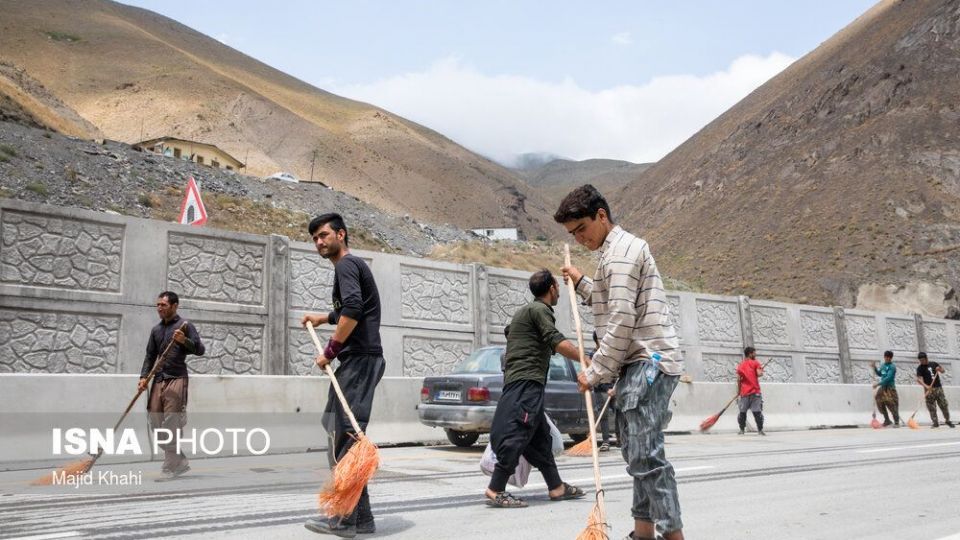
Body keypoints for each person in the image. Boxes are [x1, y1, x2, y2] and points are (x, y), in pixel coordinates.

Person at [557, 185, 685, 540]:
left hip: (649, 361)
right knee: (638, 455)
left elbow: (621, 321)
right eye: (572, 234)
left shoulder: (621, 254)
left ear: (602, 215)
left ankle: (673, 536)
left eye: (582, 228)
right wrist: (583, 282)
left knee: (646, 456)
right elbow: (611, 300)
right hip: (640, 363)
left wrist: (594, 372)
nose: (579, 238)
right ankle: (643, 532)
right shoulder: (615, 253)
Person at [302, 213, 386, 536]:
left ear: (341, 234)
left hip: (360, 360)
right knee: (340, 431)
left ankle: (344, 519)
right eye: (314, 239)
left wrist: (329, 352)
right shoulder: (351, 268)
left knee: (346, 439)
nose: (319, 242)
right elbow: (347, 308)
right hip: (360, 361)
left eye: (324, 235)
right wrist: (322, 318)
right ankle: (362, 518)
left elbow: (352, 311)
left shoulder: (347, 266)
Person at [485, 269, 586, 508]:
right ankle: (495, 488)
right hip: (525, 384)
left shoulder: (525, 312)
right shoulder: (540, 310)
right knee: (518, 432)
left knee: (539, 439)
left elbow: (512, 332)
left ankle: (556, 487)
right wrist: (587, 359)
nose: (559, 291)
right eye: (557, 288)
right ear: (552, 288)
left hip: (526, 383)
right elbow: (555, 340)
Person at [138, 291, 205, 481]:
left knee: (171, 423)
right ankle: (180, 460)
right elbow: (150, 355)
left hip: (177, 379)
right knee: (155, 421)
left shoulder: (185, 326)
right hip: (158, 378)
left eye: (163, 305)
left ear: (175, 306)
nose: (159, 308)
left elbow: (200, 350)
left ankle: (169, 467)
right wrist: (143, 377)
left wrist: (185, 341)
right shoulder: (156, 330)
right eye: (158, 305)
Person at [591, 331, 616, 450]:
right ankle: (606, 441)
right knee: (603, 416)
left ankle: (621, 439)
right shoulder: (594, 355)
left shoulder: (611, 353)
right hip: (601, 390)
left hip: (614, 388)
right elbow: (596, 376)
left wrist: (614, 386)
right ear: (596, 340)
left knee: (620, 412)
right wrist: (607, 388)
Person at [916, 352, 954, 428]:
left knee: (944, 405)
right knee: (931, 407)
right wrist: (926, 386)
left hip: (938, 388)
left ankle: (948, 420)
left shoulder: (933, 364)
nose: (922, 362)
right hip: (928, 390)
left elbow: (943, 371)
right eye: (920, 360)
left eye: (923, 360)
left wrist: (939, 369)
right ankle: (935, 423)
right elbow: (919, 380)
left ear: (926, 358)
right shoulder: (919, 368)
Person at [736, 347, 765, 436]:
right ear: (750, 354)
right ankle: (760, 431)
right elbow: (759, 374)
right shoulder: (756, 363)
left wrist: (739, 391)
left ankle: (741, 430)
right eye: (754, 353)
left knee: (742, 412)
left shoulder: (741, 365)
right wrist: (761, 370)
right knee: (757, 412)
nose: (755, 354)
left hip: (744, 393)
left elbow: (738, 379)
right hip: (755, 392)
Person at [872, 351, 900, 427]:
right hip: (883, 387)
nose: (887, 358)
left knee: (892, 404)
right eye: (886, 357)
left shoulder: (892, 367)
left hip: (890, 388)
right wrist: (874, 368)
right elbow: (880, 374)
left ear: (891, 358)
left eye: (889, 357)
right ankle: (887, 420)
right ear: (884, 357)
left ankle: (896, 422)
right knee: (879, 401)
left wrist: (878, 384)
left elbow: (888, 378)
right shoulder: (883, 365)